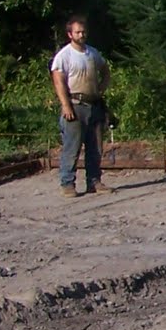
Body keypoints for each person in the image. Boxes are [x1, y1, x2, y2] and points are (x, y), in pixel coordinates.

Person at [50, 15, 113, 198]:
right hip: (75, 105)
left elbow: (105, 71)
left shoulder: (92, 53)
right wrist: (66, 106)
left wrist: (101, 88)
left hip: (94, 105)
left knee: (95, 147)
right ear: (70, 34)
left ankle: (94, 181)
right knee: (72, 147)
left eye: (83, 31)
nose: (81, 34)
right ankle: (67, 183)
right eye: (78, 32)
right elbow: (59, 82)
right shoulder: (64, 55)